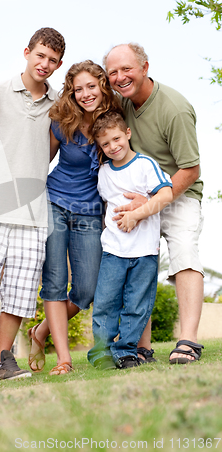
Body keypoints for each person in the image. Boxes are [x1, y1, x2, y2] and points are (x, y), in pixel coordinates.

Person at [0, 28, 66, 383]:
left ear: (58, 64)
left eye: (52, 60)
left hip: (34, 214)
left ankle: (3, 362)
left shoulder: (60, 103)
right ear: (27, 52)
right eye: (40, 55)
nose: (44, 64)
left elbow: (51, 149)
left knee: (19, 295)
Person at [105, 43, 204, 364]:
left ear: (145, 67)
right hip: (139, 196)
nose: (120, 77)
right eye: (113, 72)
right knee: (138, 264)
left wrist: (153, 202)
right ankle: (139, 346)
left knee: (185, 253)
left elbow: (190, 169)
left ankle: (188, 341)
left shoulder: (174, 108)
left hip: (179, 193)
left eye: (127, 69)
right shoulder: (122, 104)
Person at [27, 61, 123, 375]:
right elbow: (42, 161)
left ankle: (40, 331)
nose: (84, 94)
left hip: (91, 211)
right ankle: (64, 361)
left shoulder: (114, 121)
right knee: (54, 282)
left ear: (102, 86)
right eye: (77, 88)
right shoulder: (62, 120)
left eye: (90, 87)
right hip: (54, 202)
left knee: (86, 289)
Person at [87, 112, 173, 369]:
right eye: (105, 144)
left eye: (116, 138)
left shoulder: (145, 164)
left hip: (145, 250)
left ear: (127, 133)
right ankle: (101, 351)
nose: (113, 147)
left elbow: (166, 195)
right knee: (105, 302)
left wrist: (136, 215)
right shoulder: (103, 173)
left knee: (137, 305)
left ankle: (126, 351)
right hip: (114, 249)